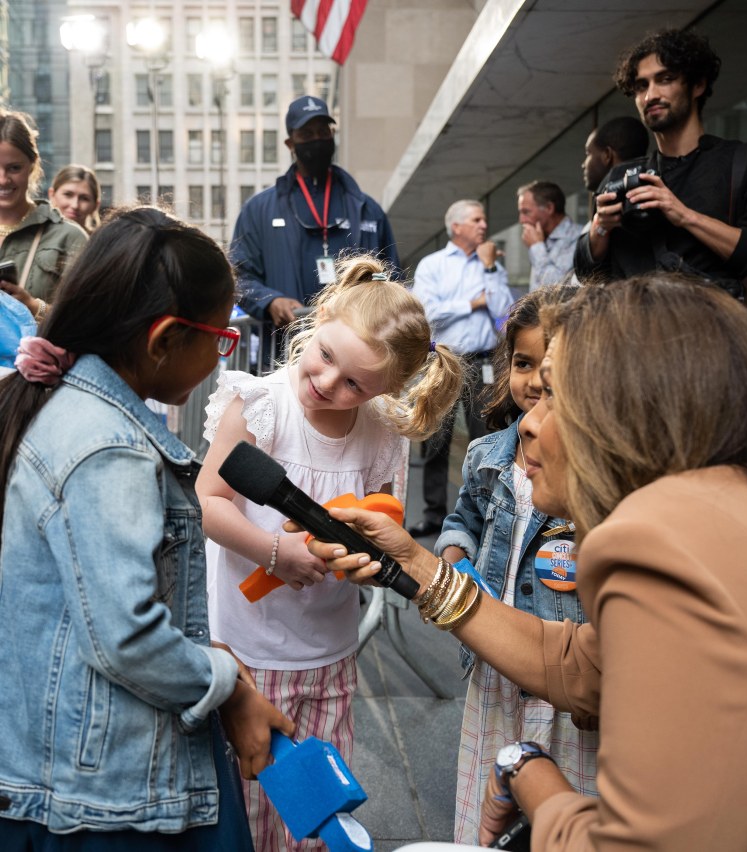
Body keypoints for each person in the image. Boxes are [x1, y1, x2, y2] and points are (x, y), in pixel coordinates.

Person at [305, 273, 747, 851]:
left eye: (557, 394)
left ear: (631, 413)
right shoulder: (720, 515)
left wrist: (530, 777)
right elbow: (580, 665)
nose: (529, 422)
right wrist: (416, 563)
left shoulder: (653, 546)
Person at [0, 205, 296, 850]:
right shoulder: (109, 448)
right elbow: (126, 634)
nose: (222, 356)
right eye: (219, 340)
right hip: (107, 795)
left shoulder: (69, 409)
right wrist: (222, 681)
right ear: (164, 339)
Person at [195, 254, 464, 852]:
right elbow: (209, 500)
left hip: (329, 651)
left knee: (317, 809)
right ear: (317, 323)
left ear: (385, 390)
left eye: (355, 385)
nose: (326, 383)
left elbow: (381, 525)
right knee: (251, 800)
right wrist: (275, 551)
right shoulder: (260, 405)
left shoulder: (379, 432)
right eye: (325, 356)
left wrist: (358, 560)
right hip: (248, 649)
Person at [435, 285, 598, 846]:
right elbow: (463, 521)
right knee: (489, 796)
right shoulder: (488, 456)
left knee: (562, 799)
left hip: (563, 685)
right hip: (496, 664)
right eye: (523, 365)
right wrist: (452, 560)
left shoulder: (594, 475)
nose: (531, 386)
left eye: (551, 378)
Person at [574, 27, 747, 302]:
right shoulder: (622, 176)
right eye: (641, 86)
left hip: (711, 334)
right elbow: (586, 270)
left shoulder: (741, 161)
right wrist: (601, 225)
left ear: (697, 85)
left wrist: (683, 215)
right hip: (632, 334)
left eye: (665, 79)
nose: (650, 95)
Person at [230, 95, 401, 368]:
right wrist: (271, 301)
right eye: (307, 134)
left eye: (324, 132)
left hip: (355, 355)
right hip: (285, 355)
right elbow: (239, 279)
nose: (317, 139)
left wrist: (368, 283)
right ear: (290, 144)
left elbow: (390, 274)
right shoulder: (259, 210)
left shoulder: (367, 209)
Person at [407, 199, 513, 539]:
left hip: (485, 361)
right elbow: (428, 313)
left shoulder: (491, 264)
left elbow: (504, 315)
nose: (484, 225)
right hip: (445, 361)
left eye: (484, 219)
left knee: (488, 438)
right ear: (457, 226)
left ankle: (487, 513)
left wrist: (492, 271)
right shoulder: (433, 265)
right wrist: (472, 302)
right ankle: (434, 513)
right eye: (477, 219)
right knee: (436, 440)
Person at [0, 111, 87, 324]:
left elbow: (92, 320)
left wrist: (33, 307)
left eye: (14, 168)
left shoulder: (69, 237)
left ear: (32, 165)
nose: (3, 179)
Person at [516, 181, 583, 290]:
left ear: (549, 208)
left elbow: (557, 289)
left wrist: (536, 248)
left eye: (526, 212)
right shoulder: (541, 238)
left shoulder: (579, 238)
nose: (521, 220)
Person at [581, 115, 650, 193]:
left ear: (607, 155)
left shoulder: (610, 198)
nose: (583, 165)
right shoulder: (654, 190)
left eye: (588, 153)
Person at [48, 163, 102, 233]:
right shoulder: (35, 236)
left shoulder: (102, 242)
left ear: (95, 205)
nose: (75, 205)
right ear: (52, 195)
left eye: (84, 198)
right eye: (68, 195)